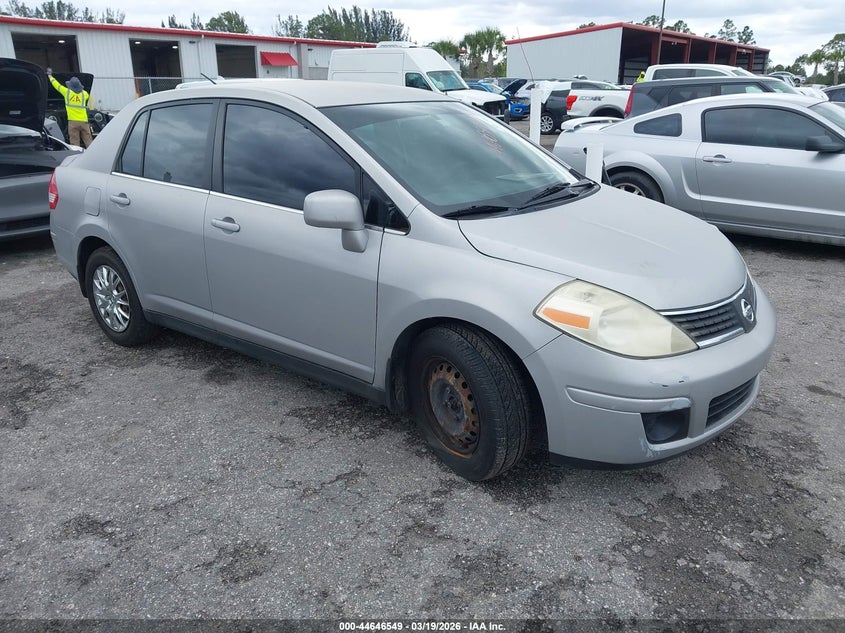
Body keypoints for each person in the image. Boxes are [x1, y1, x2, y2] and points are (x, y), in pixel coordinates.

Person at [47, 70, 93, 148]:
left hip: (73, 122)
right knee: (88, 141)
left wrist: (50, 76)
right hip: (84, 122)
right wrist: (92, 108)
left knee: (75, 142)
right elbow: (90, 97)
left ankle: (76, 157)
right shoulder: (84, 94)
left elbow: (56, 85)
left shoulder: (67, 92)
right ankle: (92, 154)